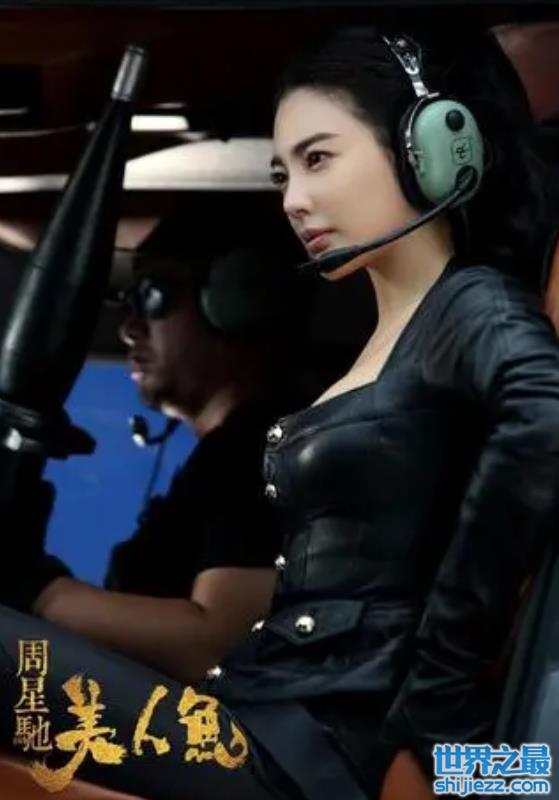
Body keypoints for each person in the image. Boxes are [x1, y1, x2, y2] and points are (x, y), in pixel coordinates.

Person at [1, 24, 559, 800]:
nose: (293, 200)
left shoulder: (471, 307)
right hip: (261, 715)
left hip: (312, 752)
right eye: (281, 173)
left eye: (318, 159)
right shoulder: (394, 338)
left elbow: (544, 419)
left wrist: (440, 696)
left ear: (430, 148)